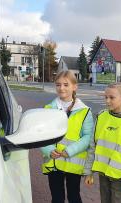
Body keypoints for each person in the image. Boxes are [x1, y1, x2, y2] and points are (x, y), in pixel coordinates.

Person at [84, 82, 121, 203]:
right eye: (105, 97)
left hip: (120, 176)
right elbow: (92, 146)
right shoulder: (101, 117)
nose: (107, 101)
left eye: (112, 98)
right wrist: (88, 172)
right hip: (103, 173)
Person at [40, 70, 94, 203]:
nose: (61, 88)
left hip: (73, 161)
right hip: (54, 161)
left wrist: (69, 151)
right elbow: (41, 134)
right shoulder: (48, 109)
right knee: (57, 198)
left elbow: (88, 137)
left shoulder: (85, 111)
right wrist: (48, 150)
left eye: (66, 84)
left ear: (74, 87)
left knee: (74, 197)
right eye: (58, 85)